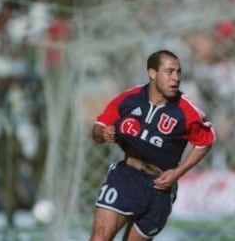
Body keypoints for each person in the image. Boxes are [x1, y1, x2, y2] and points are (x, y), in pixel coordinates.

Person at [89, 49, 215, 241]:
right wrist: (103, 133)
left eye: (178, 72)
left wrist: (178, 172)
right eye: (169, 71)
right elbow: (98, 127)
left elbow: (205, 142)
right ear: (152, 73)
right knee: (100, 237)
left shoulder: (187, 111)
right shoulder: (129, 99)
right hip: (126, 179)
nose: (176, 78)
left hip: (160, 189)